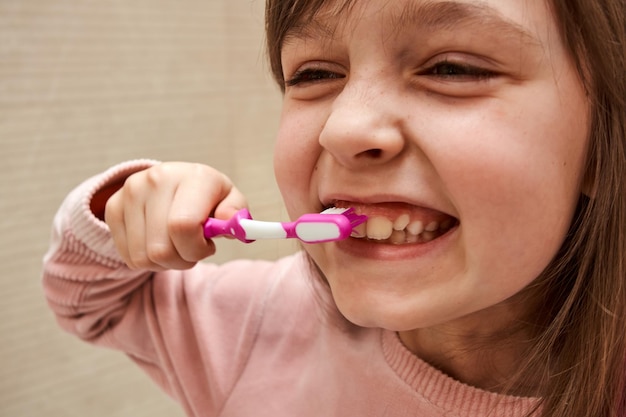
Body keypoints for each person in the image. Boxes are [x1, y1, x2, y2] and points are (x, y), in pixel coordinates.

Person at [42, 0, 626, 416]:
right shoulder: (260, 323)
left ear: (606, 142)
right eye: (315, 74)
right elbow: (90, 301)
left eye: (453, 69)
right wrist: (125, 207)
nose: (344, 129)